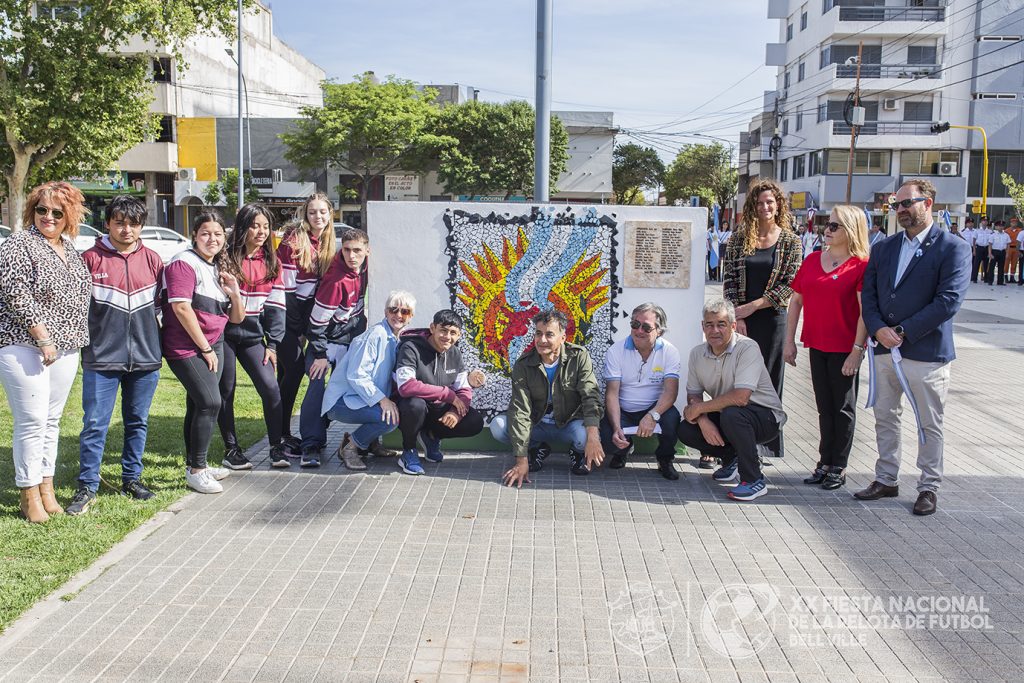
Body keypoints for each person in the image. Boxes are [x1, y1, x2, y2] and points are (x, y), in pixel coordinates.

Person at [857, 179, 971, 516]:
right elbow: (870, 295)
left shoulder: (953, 247)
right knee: (885, 417)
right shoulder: (883, 247)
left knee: (928, 423)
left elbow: (948, 301)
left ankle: (928, 486)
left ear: (929, 203)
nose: (902, 209)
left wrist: (903, 331)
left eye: (908, 203)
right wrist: (878, 329)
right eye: (897, 204)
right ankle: (886, 478)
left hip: (925, 352)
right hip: (884, 350)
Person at [0, 182, 92, 522]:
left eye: (57, 212)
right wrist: (42, 336)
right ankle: (28, 494)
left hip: (66, 348)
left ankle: (46, 489)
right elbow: (15, 291)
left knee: (52, 421)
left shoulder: (70, 249)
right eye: (42, 210)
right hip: (24, 345)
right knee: (32, 420)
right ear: (32, 211)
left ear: (68, 216)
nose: (48, 217)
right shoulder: (19, 243)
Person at [67, 196, 164, 516]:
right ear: (107, 223)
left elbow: (161, 309)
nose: (127, 229)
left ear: (141, 226)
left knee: (138, 422)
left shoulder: (153, 260)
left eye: (133, 223)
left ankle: (132, 479)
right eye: (119, 222)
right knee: (95, 424)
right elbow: (76, 308)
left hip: (146, 359)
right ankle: (87, 485)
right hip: (102, 358)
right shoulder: (90, 258)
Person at [783, 205, 870, 491]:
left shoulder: (860, 265)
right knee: (824, 407)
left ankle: (838, 465)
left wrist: (857, 350)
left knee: (842, 408)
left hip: (845, 347)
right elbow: (796, 301)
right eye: (826, 225)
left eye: (834, 226)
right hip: (817, 344)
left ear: (851, 230)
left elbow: (863, 312)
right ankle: (823, 462)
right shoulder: (811, 261)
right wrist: (789, 341)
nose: (827, 231)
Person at [162, 212, 245, 494]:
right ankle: (197, 471)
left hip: (215, 342)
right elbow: (181, 308)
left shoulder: (215, 266)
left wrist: (234, 293)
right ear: (194, 236)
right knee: (210, 403)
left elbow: (236, 318)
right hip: (185, 347)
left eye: (218, 234)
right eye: (206, 233)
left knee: (199, 404)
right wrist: (206, 348)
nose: (212, 239)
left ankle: (196, 465)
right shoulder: (183, 264)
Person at [722, 177, 802, 459]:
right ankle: (735, 444)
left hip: (772, 320)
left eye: (770, 202)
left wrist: (752, 307)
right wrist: (736, 315)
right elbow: (729, 278)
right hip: (740, 321)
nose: (765, 207)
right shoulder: (737, 240)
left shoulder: (791, 242)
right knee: (736, 380)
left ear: (778, 205)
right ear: (752, 207)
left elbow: (790, 284)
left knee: (768, 381)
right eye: (759, 203)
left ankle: (765, 444)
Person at [677, 300, 786, 502]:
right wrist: (702, 420)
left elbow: (741, 397)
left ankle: (754, 480)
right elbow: (693, 394)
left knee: (733, 414)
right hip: (729, 413)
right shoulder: (697, 354)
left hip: (765, 417)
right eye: (709, 324)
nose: (714, 330)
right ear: (702, 327)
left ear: (733, 326)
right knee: (686, 428)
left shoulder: (747, 348)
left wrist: (699, 409)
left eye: (721, 324)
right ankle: (731, 459)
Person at [493, 310, 604, 487]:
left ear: (562, 337)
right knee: (499, 427)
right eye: (538, 333)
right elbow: (520, 409)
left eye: (549, 334)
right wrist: (522, 461)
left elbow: (590, 395)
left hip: (568, 423)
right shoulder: (524, 364)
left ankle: (577, 453)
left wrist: (593, 438)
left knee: (587, 435)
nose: (542, 340)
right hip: (537, 424)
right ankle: (536, 448)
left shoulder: (578, 357)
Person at [216, 204, 288, 470]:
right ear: (242, 227)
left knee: (271, 388)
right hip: (224, 334)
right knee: (226, 389)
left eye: (266, 226)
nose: (261, 232)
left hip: (253, 335)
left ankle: (276, 447)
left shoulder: (272, 262)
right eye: (255, 225)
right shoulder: (223, 258)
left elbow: (277, 306)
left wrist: (273, 343)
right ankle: (232, 449)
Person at [302, 227, 372, 467]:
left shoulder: (365, 271)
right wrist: (320, 354)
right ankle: (310, 445)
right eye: (347, 250)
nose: (352, 256)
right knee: (317, 387)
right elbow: (315, 324)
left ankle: (367, 440)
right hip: (325, 343)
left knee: (360, 387)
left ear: (367, 252)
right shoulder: (335, 280)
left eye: (357, 251)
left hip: (348, 341)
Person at [323, 291, 416, 470]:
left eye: (404, 312)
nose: (398, 315)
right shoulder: (375, 336)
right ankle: (350, 447)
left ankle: (370, 443)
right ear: (385, 312)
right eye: (393, 310)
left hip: (359, 398)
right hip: (341, 402)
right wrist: (383, 400)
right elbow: (357, 376)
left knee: (398, 410)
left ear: (411, 316)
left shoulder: (394, 337)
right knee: (390, 419)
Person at [276, 193, 337, 455]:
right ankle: (280, 434)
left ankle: (287, 431)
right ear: (305, 214)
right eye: (312, 212)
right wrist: (297, 328)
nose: (318, 217)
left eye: (322, 212)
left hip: (311, 316)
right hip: (289, 312)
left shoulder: (330, 243)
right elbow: (287, 290)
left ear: (330, 214)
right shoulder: (293, 241)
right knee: (292, 371)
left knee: (295, 373)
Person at [393, 309, 485, 475]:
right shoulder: (410, 347)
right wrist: (447, 394)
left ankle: (431, 437)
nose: (447, 337)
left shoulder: (455, 352)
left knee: (475, 421)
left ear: (459, 335)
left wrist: (455, 412)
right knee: (415, 404)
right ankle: (408, 452)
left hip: (437, 410)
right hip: (413, 409)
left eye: (453, 333)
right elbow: (406, 386)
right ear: (432, 328)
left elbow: (463, 388)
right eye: (443, 330)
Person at [599, 303, 682, 480]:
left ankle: (665, 459)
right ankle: (622, 450)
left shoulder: (670, 351)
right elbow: (612, 393)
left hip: (654, 407)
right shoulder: (616, 351)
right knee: (607, 438)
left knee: (672, 419)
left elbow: (671, 392)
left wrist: (653, 415)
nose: (639, 331)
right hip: (624, 409)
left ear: (659, 330)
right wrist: (616, 427)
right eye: (635, 325)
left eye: (646, 327)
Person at [987, 220, 1009, 286]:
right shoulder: (993, 235)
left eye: (1002, 226)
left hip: (1002, 252)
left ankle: (1000, 281)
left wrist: (1007, 253)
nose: (1001, 227)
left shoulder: (1006, 235)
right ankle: (990, 281)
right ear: (996, 227)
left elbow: (1008, 245)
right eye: (999, 226)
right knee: (992, 267)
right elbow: (990, 245)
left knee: (1001, 267)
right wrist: (990, 253)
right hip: (994, 251)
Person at [972, 217, 992, 284]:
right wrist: (974, 250)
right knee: (976, 264)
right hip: (979, 248)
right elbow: (974, 241)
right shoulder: (976, 231)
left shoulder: (990, 231)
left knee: (986, 264)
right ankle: (974, 278)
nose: (985, 222)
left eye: (986, 221)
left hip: (986, 248)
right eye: (983, 221)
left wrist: (990, 252)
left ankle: (986, 278)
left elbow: (990, 242)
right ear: (981, 222)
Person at [1004, 217, 1021, 284]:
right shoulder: (1006, 231)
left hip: (1016, 248)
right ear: (1010, 223)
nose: (1014, 224)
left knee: (1014, 263)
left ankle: (1012, 276)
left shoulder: (1019, 231)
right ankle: (1005, 276)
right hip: (1009, 248)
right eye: (1013, 222)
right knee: (1006, 263)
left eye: (1015, 223)